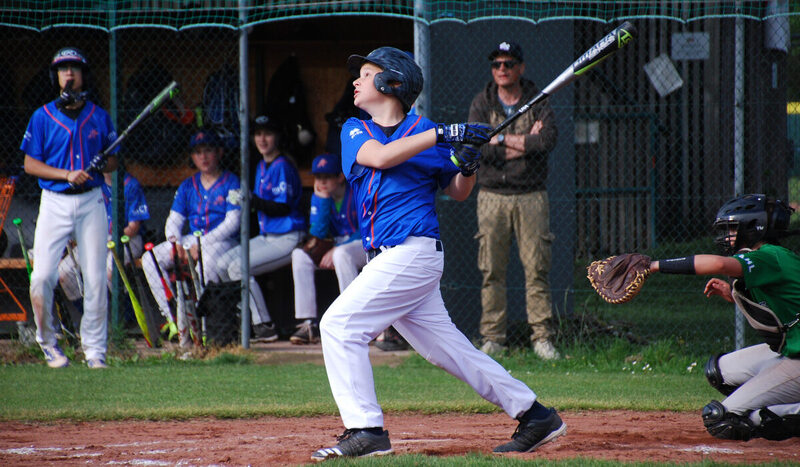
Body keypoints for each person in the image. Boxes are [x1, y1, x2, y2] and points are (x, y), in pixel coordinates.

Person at [310, 46, 566, 461]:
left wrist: (468, 163)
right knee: (448, 351)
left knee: (338, 325)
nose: (355, 80)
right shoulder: (357, 130)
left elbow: (459, 192)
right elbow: (380, 157)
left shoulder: (426, 130)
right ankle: (535, 415)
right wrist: (446, 136)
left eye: (366, 72)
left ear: (392, 83)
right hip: (389, 258)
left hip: (412, 253)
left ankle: (366, 430)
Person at [646, 194, 800, 441]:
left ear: (754, 228)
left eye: (732, 228)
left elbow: (718, 264)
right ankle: (768, 397)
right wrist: (732, 294)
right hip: (791, 353)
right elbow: (780, 309)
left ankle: (778, 410)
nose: (726, 236)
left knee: (722, 419)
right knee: (719, 370)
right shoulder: (768, 258)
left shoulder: (770, 256)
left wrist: (652, 266)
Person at [21, 47, 119, 368]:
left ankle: (95, 350)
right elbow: (30, 165)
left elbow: (114, 160)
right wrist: (65, 173)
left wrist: (106, 160)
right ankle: (48, 343)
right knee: (43, 277)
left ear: (82, 74)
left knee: (95, 279)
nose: (69, 74)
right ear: (56, 76)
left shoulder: (99, 116)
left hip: (91, 201)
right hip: (54, 201)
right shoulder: (42, 116)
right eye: (63, 69)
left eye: (74, 68)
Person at [468, 41, 560, 360]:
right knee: (492, 269)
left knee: (536, 269)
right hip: (492, 196)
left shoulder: (538, 99)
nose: (502, 70)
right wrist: (524, 143)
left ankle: (542, 339)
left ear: (520, 67)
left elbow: (547, 140)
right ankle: (493, 338)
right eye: (497, 64)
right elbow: (480, 148)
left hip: (531, 195)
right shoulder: (482, 102)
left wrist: (502, 138)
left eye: (508, 64)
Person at [142, 131, 240, 340]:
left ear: (219, 152)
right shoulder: (188, 185)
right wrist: (174, 243)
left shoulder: (232, 182)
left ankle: (207, 324)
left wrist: (200, 245)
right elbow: (174, 220)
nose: (203, 157)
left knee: (209, 261)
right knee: (149, 259)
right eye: (198, 152)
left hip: (223, 241)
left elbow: (233, 223)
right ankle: (175, 321)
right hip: (190, 240)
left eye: (208, 151)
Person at [223, 115, 306, 342]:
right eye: (258, 134)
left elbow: (283, 207)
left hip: (288, 237)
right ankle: (239, 319)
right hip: (268, 235)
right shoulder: (261, 165)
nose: (262, 139)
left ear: (277, 137)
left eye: (268, 133)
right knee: (222, 264)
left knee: (239, 268)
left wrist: (251, 200)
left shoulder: (283, 165)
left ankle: (263, 326)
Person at [288, 152, 364, 345]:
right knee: (299, 255)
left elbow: (366, 230)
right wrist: (322, 201)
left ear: (339, 177)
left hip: (362, 247)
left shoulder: (356, 192)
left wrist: (338, 248)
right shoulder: (320, 197)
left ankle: (354, 319)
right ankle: (308, 324)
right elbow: (318, 233)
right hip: (339, 251)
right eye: (318, 177)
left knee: (340, 254)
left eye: (327, 177)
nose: (322, 181)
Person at [57, 170, 150, 322]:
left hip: (126, 238)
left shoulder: (131, 184)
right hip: (95, 239)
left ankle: (127, 317)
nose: (105, 163)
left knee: (110, 270)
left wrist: (107, 240)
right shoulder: (91, 183)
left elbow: (134, 227)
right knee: (64, 272)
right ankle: (89, 318)